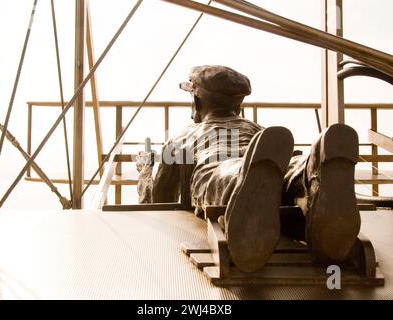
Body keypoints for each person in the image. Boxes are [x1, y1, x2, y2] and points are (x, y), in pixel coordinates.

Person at [136, 65, 360, 273]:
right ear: (238, 104)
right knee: (290, 171)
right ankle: (310, 174)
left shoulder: (181, 137)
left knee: (227, 175)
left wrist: (145, 170)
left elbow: (158, 202)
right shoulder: (258, 131)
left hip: (222, 167)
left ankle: (247, 198)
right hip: (262, 162)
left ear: (196, 99)